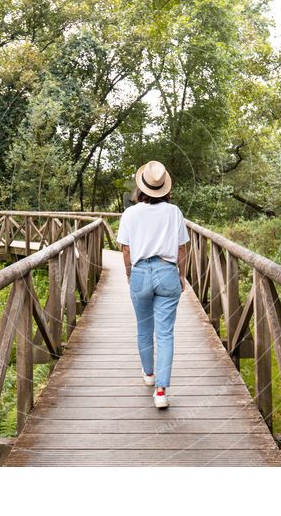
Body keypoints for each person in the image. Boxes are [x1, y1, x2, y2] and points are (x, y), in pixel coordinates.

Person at [117, 160, 190, 409]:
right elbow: (182, 248)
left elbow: (126, 250)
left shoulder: (130, 213)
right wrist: (182, 276)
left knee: (143, 328)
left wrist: (129, 274)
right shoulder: (174, 212)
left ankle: (149, 374)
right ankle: (161, 391)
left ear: (141, 188)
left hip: (140, 272)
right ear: (164, 188)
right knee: (166, 333)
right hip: (167, 271)